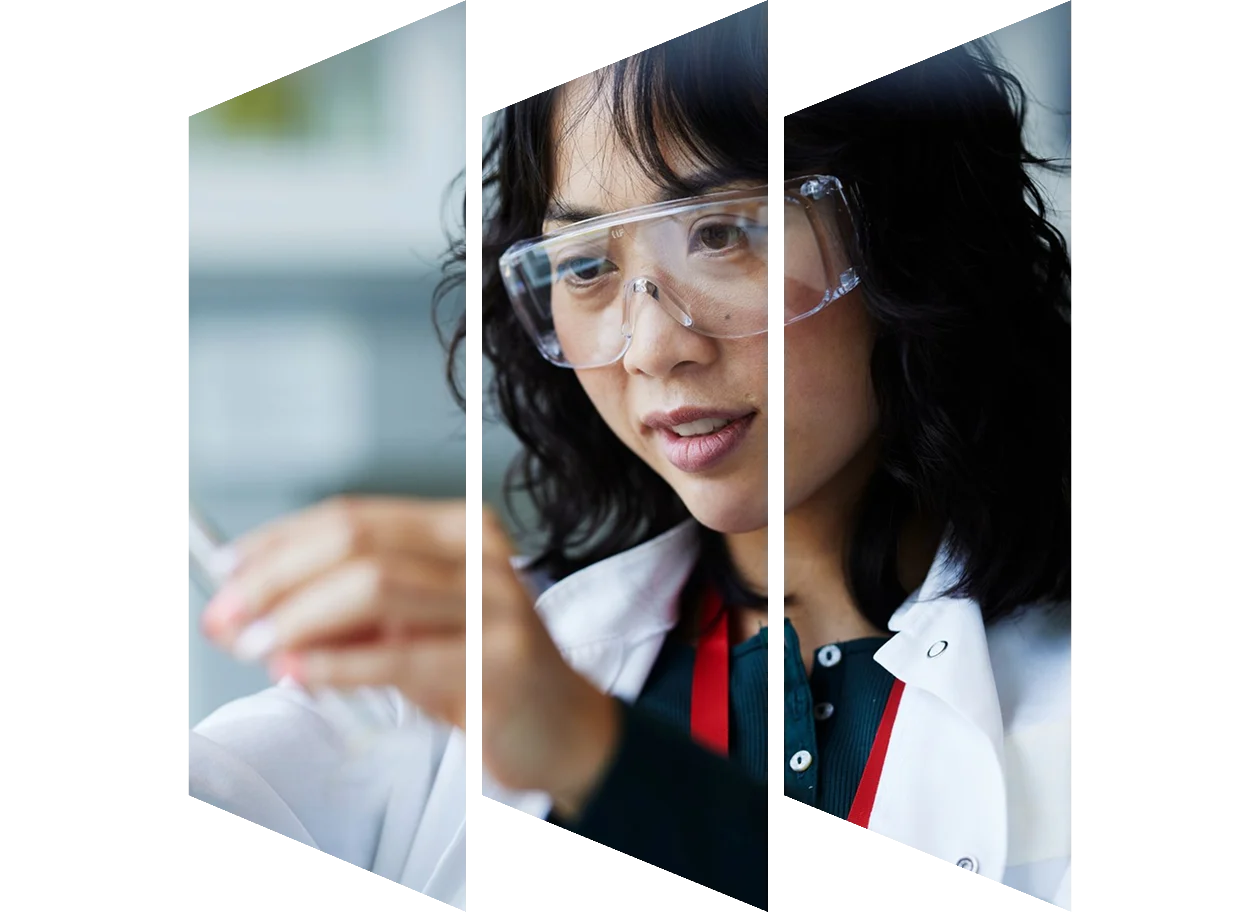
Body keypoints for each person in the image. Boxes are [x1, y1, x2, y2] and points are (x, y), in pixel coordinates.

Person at [184, 6, 1072, 910]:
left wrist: (596, 758)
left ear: (908, 229)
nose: (651, 346)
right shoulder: (460, 684)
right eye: (584, 265)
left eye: (724, 233)